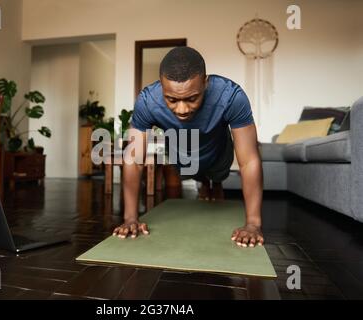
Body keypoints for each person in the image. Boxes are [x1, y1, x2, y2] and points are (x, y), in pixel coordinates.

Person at [112, 46, 264, 248]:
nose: (182, 109)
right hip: (181, 150)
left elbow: (249, 161)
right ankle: (204, 181)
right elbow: (134, 160)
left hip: (218, 148)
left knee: (217, 174)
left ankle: (215, 183)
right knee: (188, 170)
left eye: (192, 98)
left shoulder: (231, 96)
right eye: (172, 99)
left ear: (205, 83)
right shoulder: (147, 101)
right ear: (161, 86)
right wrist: (130, 218)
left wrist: (253, 224)